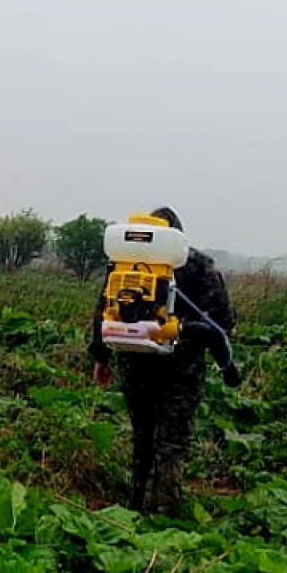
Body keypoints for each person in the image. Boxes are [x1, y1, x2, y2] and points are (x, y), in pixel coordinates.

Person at [89, 206, 236, 516]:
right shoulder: (197, 265)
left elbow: (104, 311)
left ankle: (136, 507)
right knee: (172, 442)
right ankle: (163, 514)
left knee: (143, 437)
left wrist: (100, 358)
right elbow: (223, 321)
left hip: (133, 363)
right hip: (180, 371)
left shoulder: (123, 264)